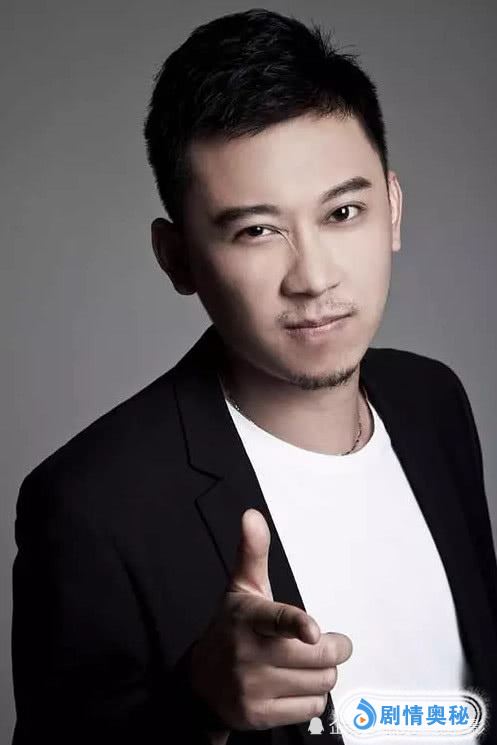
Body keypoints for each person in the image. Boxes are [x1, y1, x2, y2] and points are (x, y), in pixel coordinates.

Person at [11, 8, 497, 745]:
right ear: (177, 258)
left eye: (343, 211)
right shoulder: (90, 508)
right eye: (257, 230)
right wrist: (198, 706)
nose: (313, 277)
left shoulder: (434, 401)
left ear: (392, 209)